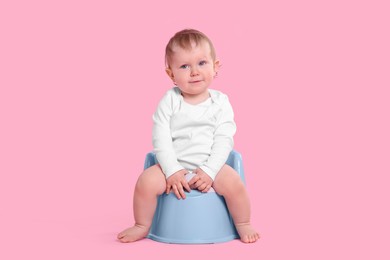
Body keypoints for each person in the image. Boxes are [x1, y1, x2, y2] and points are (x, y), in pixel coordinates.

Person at [117, 29, 259, 243]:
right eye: (184, 66)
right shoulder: (169, 100)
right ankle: (142, 225)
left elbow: (224, 140)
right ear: (171, 74)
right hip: (174, 166)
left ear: (215, 66)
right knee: (145, 183)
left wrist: (210, 171)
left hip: (213, 166)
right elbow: (161, 139)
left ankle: (242, 223)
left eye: (202, 63)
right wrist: (172, 170)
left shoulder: (220, 102)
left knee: (234, 184)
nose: (194, 72)